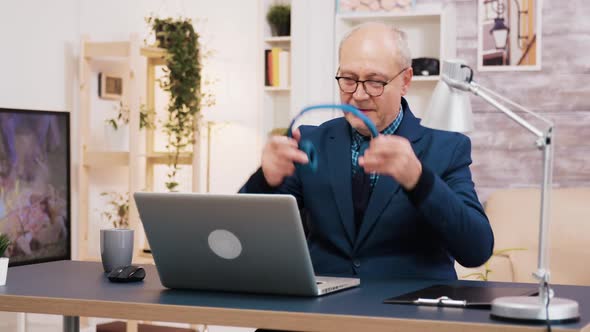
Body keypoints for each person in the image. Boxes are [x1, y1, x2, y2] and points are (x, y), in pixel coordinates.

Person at [240, 22, 494, 281]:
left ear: (405, 81)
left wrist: (420, 180)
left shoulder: (446, 147)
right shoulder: (308, 142)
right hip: (321, 312)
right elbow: (241, 236)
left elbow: (476, 250)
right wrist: (264, 180)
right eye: (348, 79)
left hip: (409, 314)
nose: (359, 95)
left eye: (374, 82)